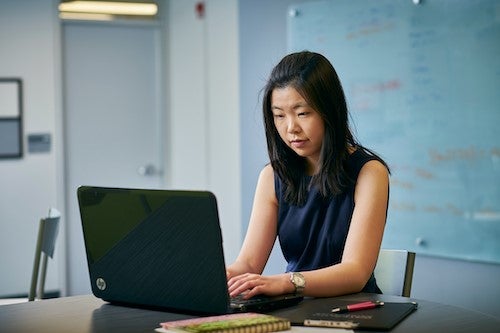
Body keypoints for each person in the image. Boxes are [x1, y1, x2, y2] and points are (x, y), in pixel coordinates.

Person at [226, 51, 390, 299]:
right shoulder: (273, 176)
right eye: (279, 115)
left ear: (329, 111)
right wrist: (211, 277)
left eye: (302, 113)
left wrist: (287, 282)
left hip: (353, 311)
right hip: (294, 308)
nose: (291, 128)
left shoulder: (369, 173)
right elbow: (248, 265)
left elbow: (355, 272)